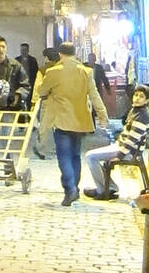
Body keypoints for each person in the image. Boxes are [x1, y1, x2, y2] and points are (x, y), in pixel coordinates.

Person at [36, 42, 108, 206]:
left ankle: (70, 189)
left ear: (60, 54)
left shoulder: (53, 72)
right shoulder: (86, 71)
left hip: (61, 119)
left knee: (64, 156)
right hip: (80, 120)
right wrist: (103, 114)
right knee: (75, 155)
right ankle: (74, 186)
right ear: (75, 54)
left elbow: (41, 91)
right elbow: (94, 94)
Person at [83, 83, 149, 200]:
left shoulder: (142, 116)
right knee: (92, 156)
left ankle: (103, 189)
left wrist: (120, 156)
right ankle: (109, 187)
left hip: (128, 151)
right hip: (121, 146)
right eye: (136, 95)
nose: (137, 98)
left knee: (90, 157)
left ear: (146, 100)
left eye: (141, 96)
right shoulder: (136, 111)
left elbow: (131, 141)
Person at [86, 51, 113, 119]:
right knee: (88, 107)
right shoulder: (84, 66)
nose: (91, 61)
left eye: (92, 59)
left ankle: (95, 119)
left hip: (96, 90)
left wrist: (108, 89)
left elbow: (104, 79)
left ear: (95, 60)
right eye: (90, 59)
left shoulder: (99, 68)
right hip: (86, 91)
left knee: (96, 106)